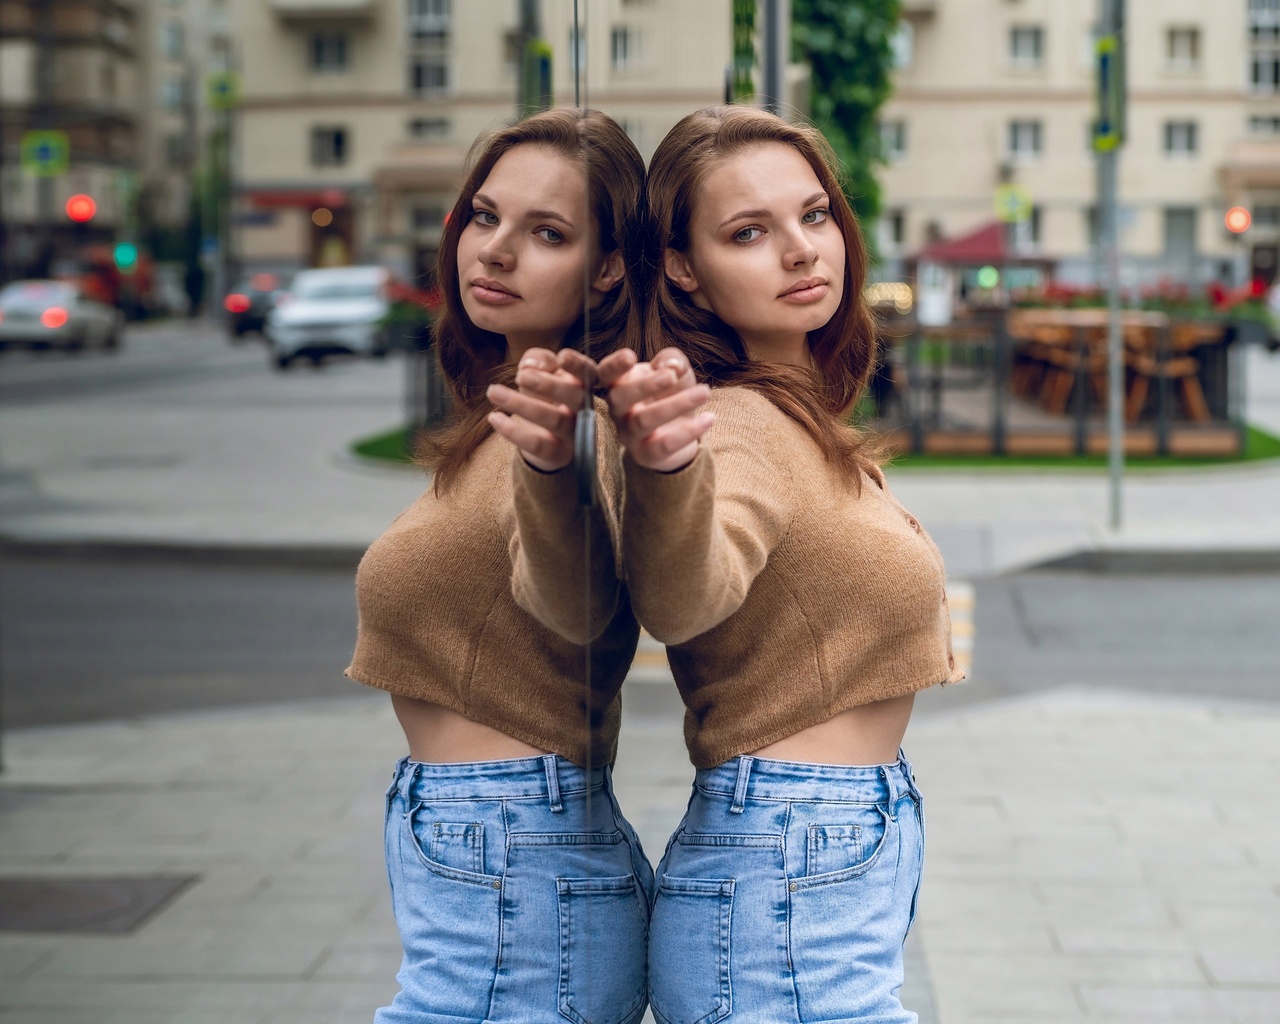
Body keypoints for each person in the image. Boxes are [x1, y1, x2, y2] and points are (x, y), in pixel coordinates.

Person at [602, 105, 965, 1023]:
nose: (802, 251)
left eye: (814, 216)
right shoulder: (740, 427)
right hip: (787, 870)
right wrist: (668, 468)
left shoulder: (796, 413)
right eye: (749, 232)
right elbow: (684, 595)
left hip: (802, 864)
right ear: (684, 266)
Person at [345, 107, 653, 1024]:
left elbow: (587, 598)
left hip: (512, 844)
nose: (497, 250)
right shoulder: (510, 409)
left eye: (546, 232)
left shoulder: (582, 423)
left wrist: (557, 460)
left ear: (606, 268)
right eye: (485, 217)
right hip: (495, 844)